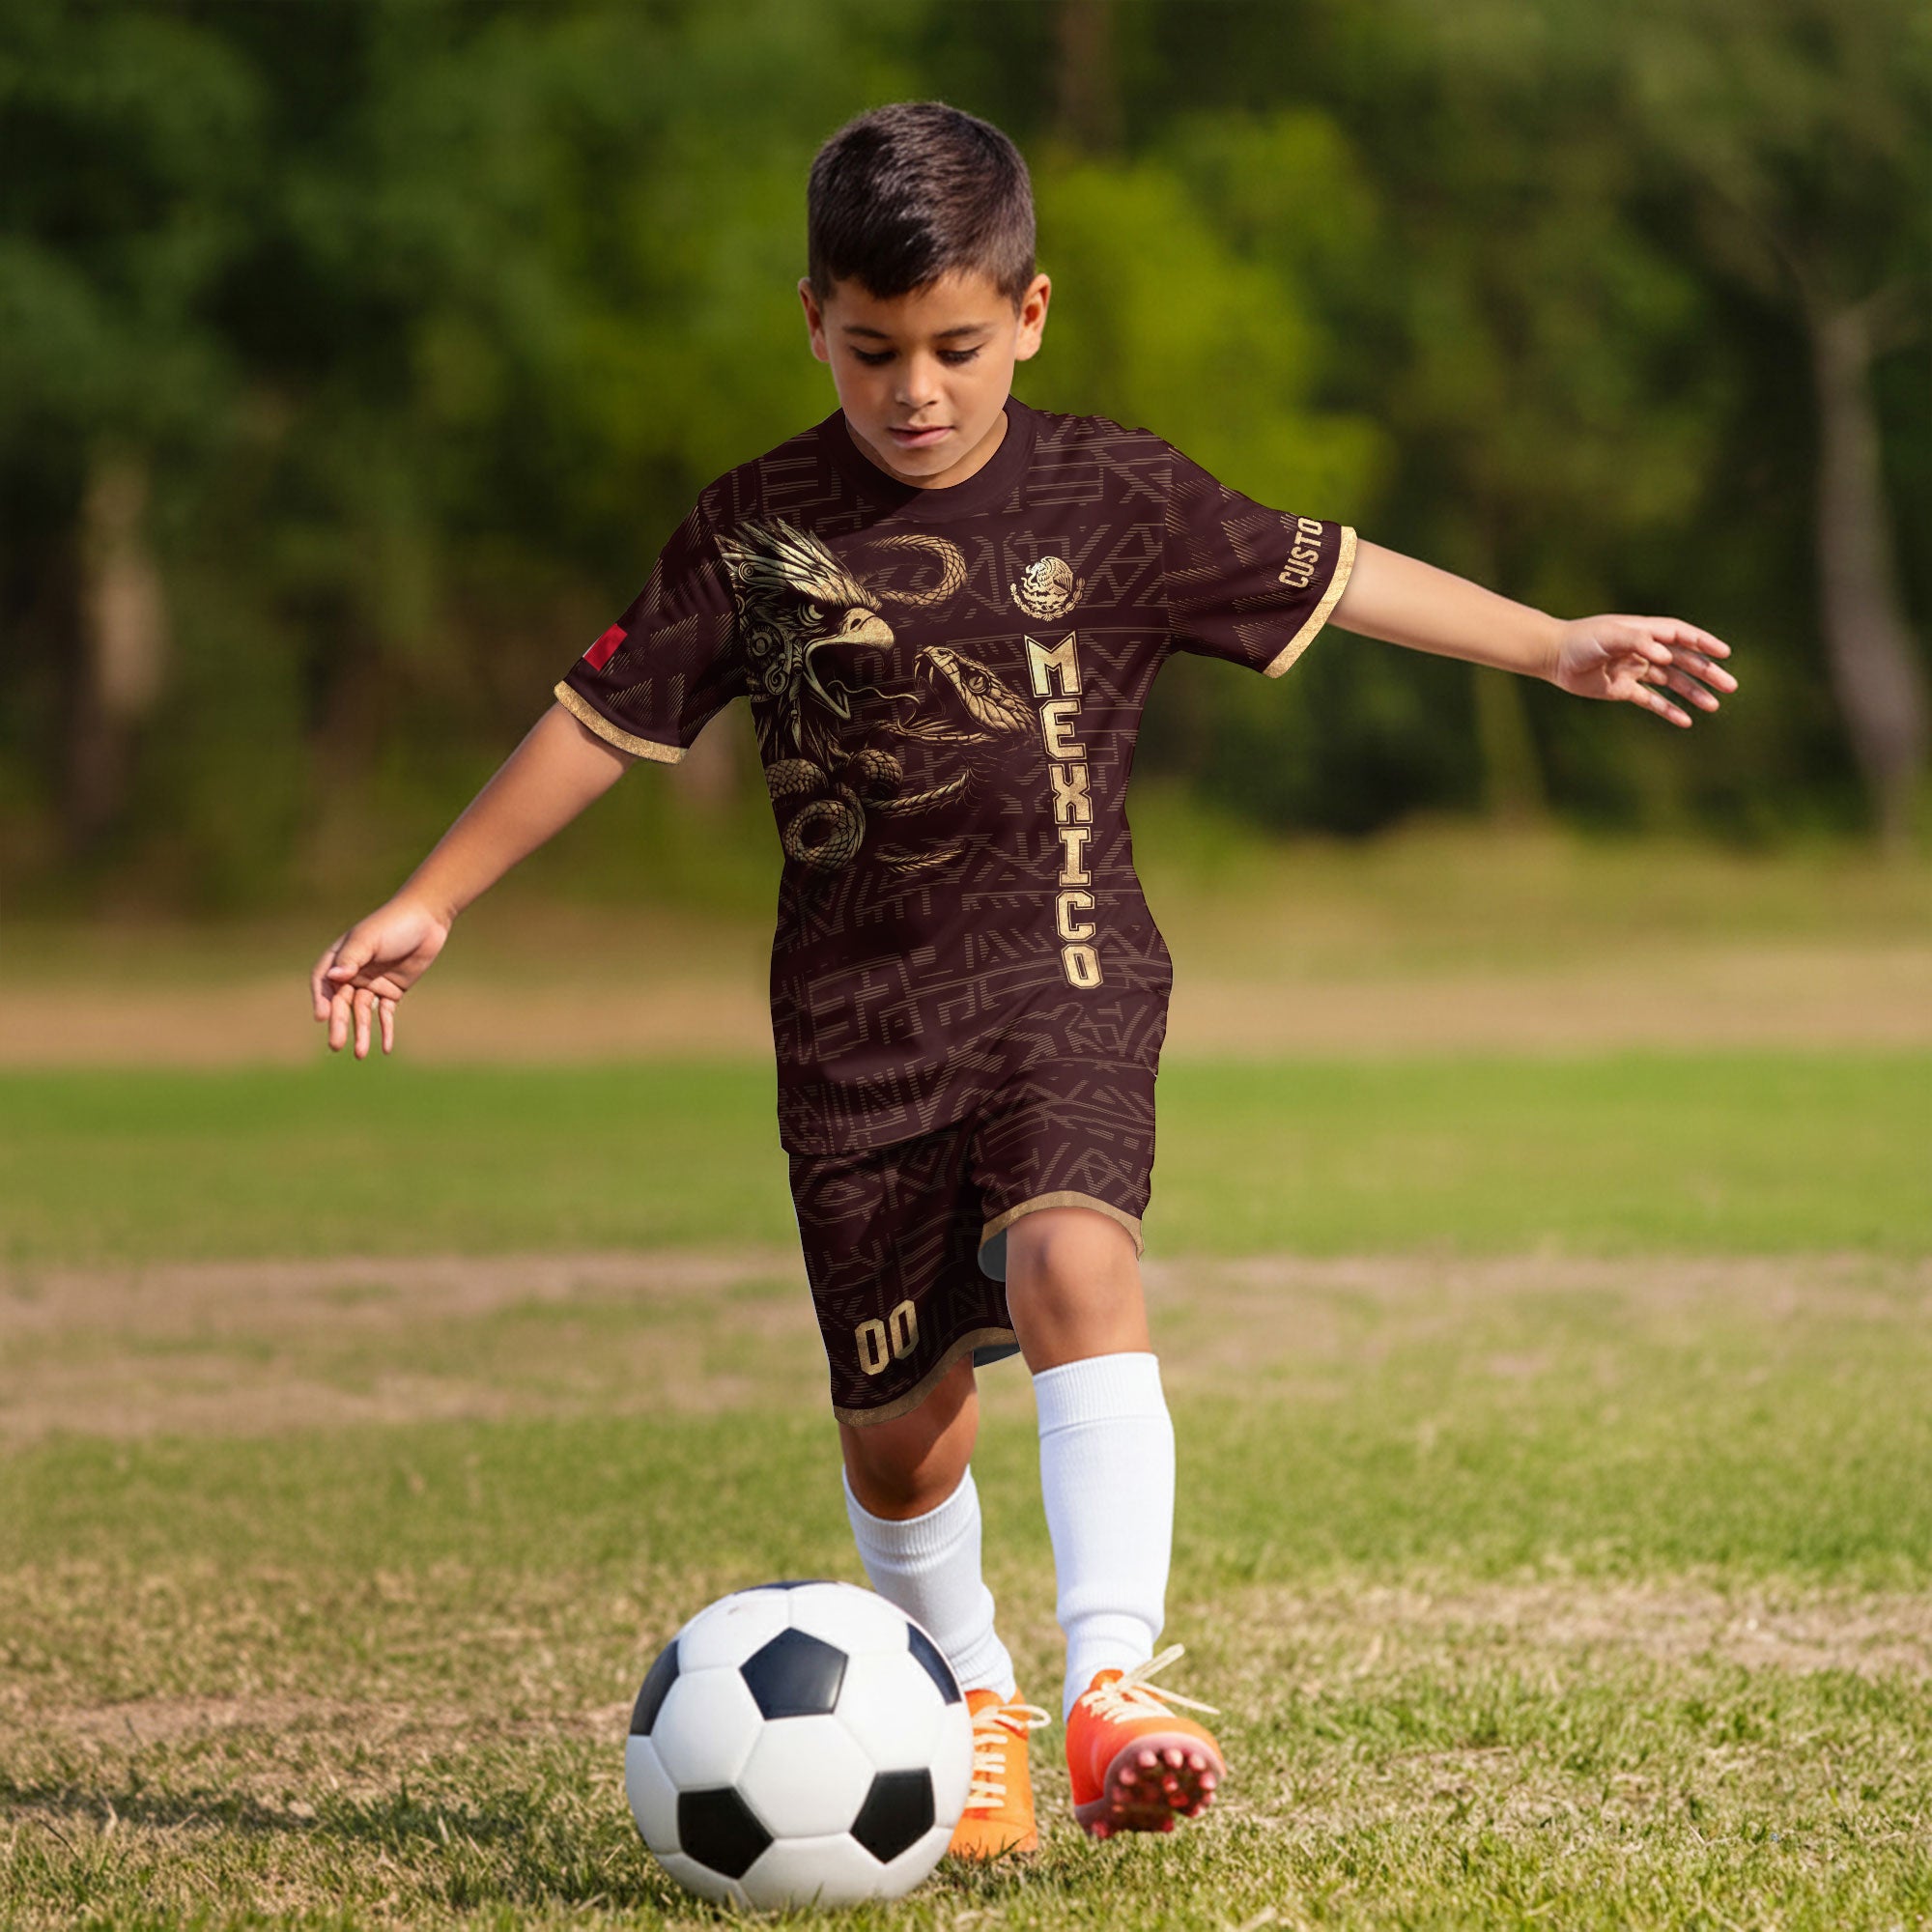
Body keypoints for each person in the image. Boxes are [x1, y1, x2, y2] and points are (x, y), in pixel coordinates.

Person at [310, 101, 1735, 1858]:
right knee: (904, 1437)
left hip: (1068, 975)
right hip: (850, 1034)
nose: (918, 390)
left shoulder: (1113, 494)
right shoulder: (753, 530)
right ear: (814, 323)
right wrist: (430, 895)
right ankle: (971, 1692)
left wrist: (1555, 643)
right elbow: (601, 722)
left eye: (959, 349)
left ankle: (1110, 1686)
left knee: (1077, 1256)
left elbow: (1341, 572)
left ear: (1031, 317)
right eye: (874, 350)